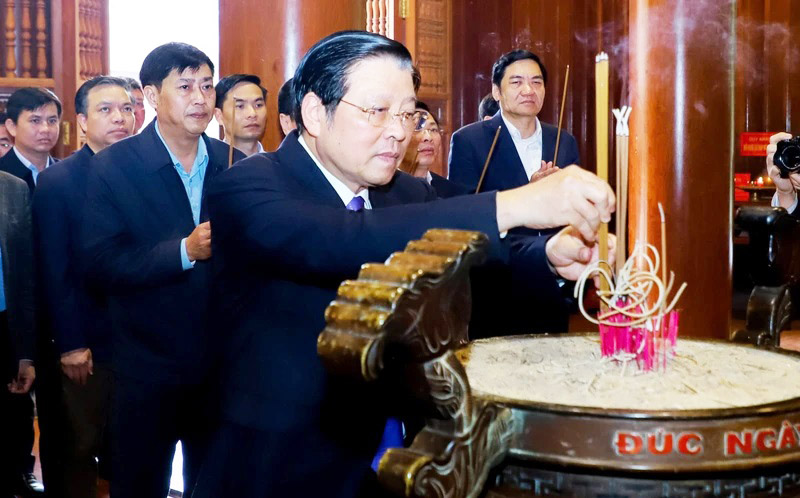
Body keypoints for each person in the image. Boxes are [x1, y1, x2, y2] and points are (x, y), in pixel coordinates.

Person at [192, 30, 614, 498]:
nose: (399, 131)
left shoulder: (404, 192)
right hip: (278, 455)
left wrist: (550, 258)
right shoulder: (249, 187)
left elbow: (470, 268)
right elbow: (338, 241)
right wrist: (514, 205)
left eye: (407, 113)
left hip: (398, 447)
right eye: (376, 111)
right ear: (315, 113)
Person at [80, 43, 244, 498]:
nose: (200, 97)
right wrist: (184, 251)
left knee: (215, 484)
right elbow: (100, 262)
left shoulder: (236, 165)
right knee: (139, 483)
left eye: (207, 86)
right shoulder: (115, 166)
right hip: (144, 366)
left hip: (220, 367)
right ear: (152, 96)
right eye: (186, 86)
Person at [32, 75, 135, 498]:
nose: (119, 118)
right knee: (78, 449)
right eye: (106, 110)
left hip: (140, 340)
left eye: (127, 109)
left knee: (131, 450)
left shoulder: (145, 171)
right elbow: (55, 269)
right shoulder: (60, 182)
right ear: (81, 121)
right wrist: (71, 343)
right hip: (87, 343)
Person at [448, 50, 580, 193]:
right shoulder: (468, 140)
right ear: (497, 92)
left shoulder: (564, 141)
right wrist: (529, 193)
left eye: (536, 82)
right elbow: (462, 208)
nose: (528, 90)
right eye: (517, 82)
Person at [0, 171, 39, 498]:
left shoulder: (13, 188)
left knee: (11, 418)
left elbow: (26, 278)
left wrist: (26, 353)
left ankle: (15, 479)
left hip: (5, 326)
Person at [398, 101, 467, 198]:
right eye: (417, 129)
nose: (428, 137)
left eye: (433, 130)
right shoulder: (380, 189)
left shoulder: (452, 193)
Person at [0, 88, 61, 192]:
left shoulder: (70, 173)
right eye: (35, 120)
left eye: (52, 121)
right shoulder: (2, 173)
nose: (45, 129)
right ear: (12, 127)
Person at [214, 74, 267, 157]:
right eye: (240, 106)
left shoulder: (277, 167)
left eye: (258, 105)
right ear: (219, 115)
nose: (252, 114)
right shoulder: (209, 165)